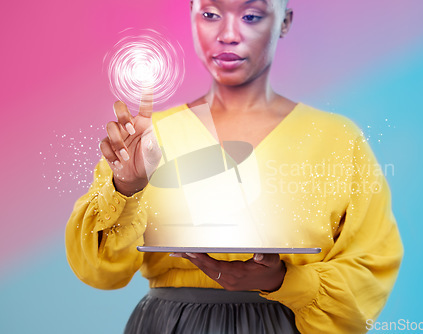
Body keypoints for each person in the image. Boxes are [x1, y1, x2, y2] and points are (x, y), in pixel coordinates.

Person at [65, 0, 404, 333]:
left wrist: (284, 280)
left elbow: (371, 267)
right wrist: (126, 186)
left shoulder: (338, 139)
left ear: (284, 22)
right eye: (211, 14)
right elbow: (100, 271)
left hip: (284, 324)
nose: (228, 34)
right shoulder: (148, 137)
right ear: (193, 17)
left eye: (252, 15)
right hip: (167, 326)